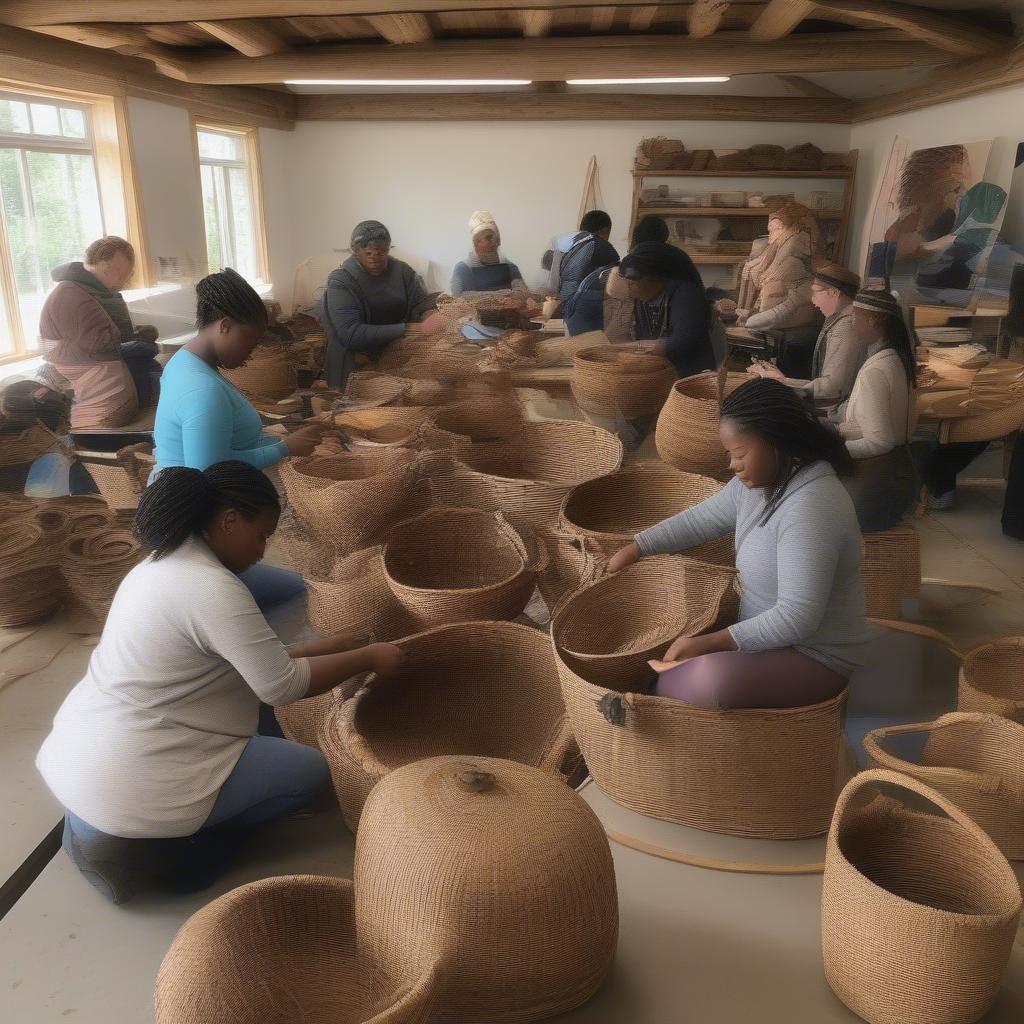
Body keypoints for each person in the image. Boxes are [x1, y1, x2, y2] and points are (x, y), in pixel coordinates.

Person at [37, 461, 405, 903]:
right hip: (131, 781)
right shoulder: (211, 587)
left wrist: (334, 648)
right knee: (309, 774)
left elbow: (244, 664)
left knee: (264, 719)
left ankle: (147, 837)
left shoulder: (157, 566)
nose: (262, 548)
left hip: (82, 768)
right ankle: (185, 846)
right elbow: (281, 686)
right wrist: (369, 657)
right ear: (230, 521)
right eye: (262, 534)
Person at [605, 378, 868, 709]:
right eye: (730, 454)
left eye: (740, 453)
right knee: (670, 650)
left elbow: (798, 617)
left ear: (777, 442)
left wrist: (713, 643)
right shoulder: (761, 483)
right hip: (763, 641)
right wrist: (635, 548)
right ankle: (658, 691)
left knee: (707, 682)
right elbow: (699, 520)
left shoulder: (812, 506)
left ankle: (656, 698)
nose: (733, 465)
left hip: (815, 655)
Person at [153, 268, 323, 609]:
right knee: (299, 597)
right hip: (191, 526)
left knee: (291, 591)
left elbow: (222, 441)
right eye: (250, 339)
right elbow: (210, 471)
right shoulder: (202, 389)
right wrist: (283, 448)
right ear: (225, 324)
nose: (253, 351)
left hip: (180, 508)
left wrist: (279, 438)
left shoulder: (186, 361)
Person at [38, 236, 161, 429]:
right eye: (121, 273)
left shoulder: (91, 290)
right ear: (104, 266)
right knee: (142, 350)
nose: (125, 281)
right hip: (82, 367)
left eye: (127, 275)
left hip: (95, 360)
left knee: (146, 351)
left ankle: (151, 400)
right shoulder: (70, 294)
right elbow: (97, 344)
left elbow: (109, 334)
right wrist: (127, 336)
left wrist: (135, 333)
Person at [831, 288, 918, 532]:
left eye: (856, 315)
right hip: (897, 474)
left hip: (880, 482)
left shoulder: (877, 370)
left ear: (874, 320)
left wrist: (830, 448)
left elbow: (881, 443)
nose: (851, 320)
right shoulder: (894, 359)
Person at [323, 220, 443, 387]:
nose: (376, 258)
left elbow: (421, 304)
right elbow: (351, 334)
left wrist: (429, 317)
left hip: (396, 353)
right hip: (355, 363)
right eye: (369, 253)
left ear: (388, 249)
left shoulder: (402, 271)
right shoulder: (340, 282)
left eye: (381, 252)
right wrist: (406, 329)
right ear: (356, 250)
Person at [749, 264, 863, 412]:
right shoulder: (841, 320)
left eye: (815, 293)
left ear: (834, 292)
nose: (813, 301)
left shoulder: (845, 327)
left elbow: (832, 390)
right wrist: (782, 379)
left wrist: (780, 382)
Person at [616, 242, 716, 377]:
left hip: (691, 378)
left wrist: (617, 349)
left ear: (655, 277)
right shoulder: (645, 297)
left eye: (632, 284)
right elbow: (643, 337)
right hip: (659, 372)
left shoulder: (687, 294)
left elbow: (680, 343)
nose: (630, 292)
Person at [564, 215, 669, 337]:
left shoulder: (577, 245)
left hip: (572, 318)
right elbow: (617, 335)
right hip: (585, 334)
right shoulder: (624, 274)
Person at [549, 210, 620, 305]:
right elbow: (614, 286)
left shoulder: (568, 242)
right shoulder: (602, 247)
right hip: (584, 307)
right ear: (605, 230)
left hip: (558, 303)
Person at [450, 211, 526, 296]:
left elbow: (522, 294)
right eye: (479, 240)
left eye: (489, 238)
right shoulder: (462, 269)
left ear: (497, 239)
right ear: (474, 244)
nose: (485, 244)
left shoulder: (510, 267)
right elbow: (457, 298)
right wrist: (504, 294)